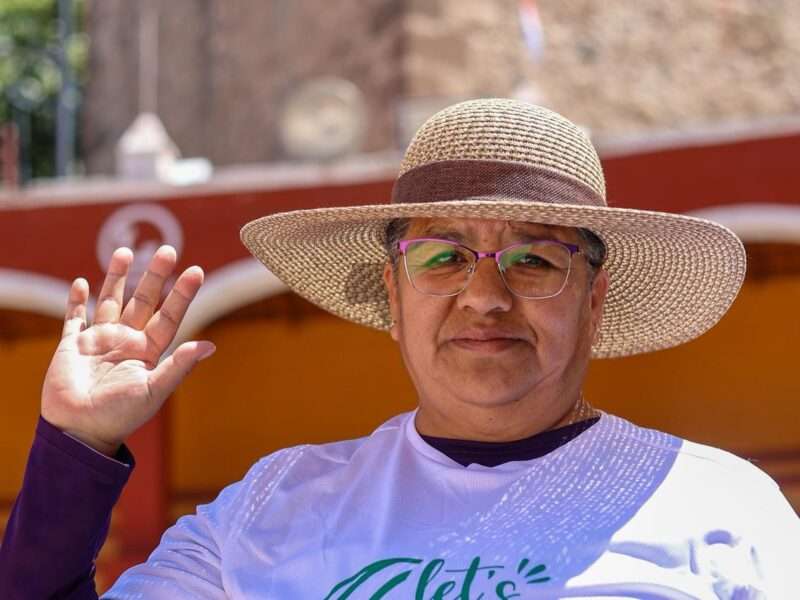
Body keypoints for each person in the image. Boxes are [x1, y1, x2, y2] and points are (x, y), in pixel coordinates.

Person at [1, 98, 797, 599]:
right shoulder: (272, 509)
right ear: (392, 294)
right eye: (442, 257)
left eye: (534, 260)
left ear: (595, 299)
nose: (485, 296)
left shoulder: (723, 508)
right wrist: (76, 446)